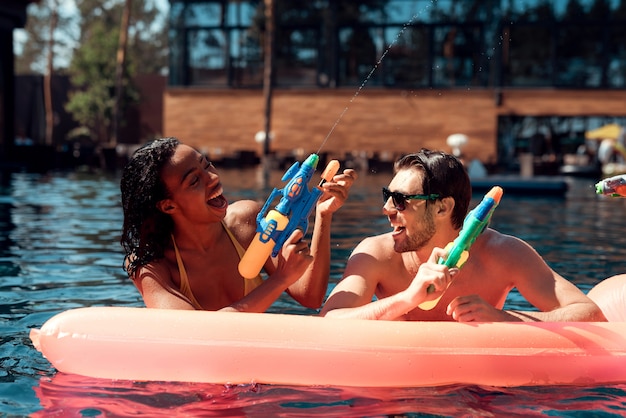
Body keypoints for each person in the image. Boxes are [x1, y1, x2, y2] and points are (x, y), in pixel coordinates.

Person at [320, 149, 606, 322]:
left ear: (443, 207)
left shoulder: (503, 253)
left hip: (474, 390)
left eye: (400, 199)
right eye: (387, 196)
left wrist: (505, 318)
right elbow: (328, 321)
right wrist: (408, 298)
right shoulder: (376, 254)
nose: (386, 209)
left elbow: (589, 314)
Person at [120, 137, 357, 312]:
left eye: (206, 165)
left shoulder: (247, 222)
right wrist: (279, 280)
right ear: (168, 206)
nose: (213, 178)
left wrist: (324, 215)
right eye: (194, 181)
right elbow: (192, 332)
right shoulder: (149, 263)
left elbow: (311, 297)